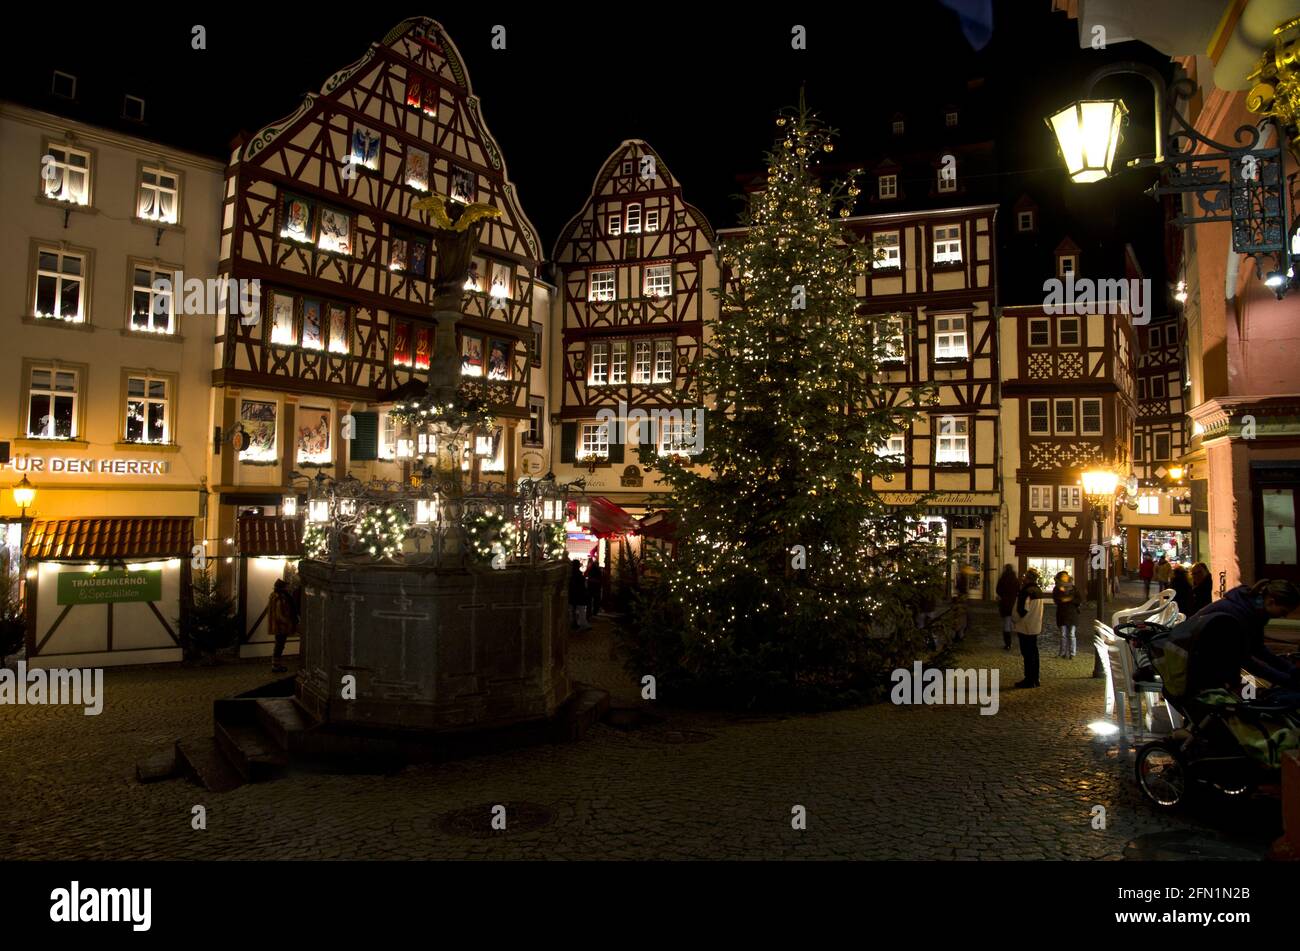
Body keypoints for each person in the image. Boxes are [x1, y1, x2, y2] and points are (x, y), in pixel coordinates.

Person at [1181, 579, 1300, 694]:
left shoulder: (1255, 610)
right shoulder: (1237, 614)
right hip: (1192, 666)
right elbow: (1244, 659)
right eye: (1283, 611)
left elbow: (1257, 648)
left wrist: (1290, 669)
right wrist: (1285, 679)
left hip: (1205, 660)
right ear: (1271, 601)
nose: (1283, 616)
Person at [1011, 568, 1047, 688]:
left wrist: (1014, 619)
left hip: (1025, 626)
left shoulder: (1026, 591)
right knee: (1034, 653)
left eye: (1025, 576)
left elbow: (1022, 610)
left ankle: (1029, 679)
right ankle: (1035, 678)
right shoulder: (1038, 590)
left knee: (1027, 653)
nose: (1023, 578)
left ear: (1028, 578)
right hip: (1035, 625)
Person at [268, 579, 297, 674]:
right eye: (286, 586)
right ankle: (276, 665)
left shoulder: (274, 596)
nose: (288, 588)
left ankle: (276, 664)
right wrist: (287, 622)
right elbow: (280, 613)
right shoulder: (280, 597)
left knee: (279, 644)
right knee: (279, 645)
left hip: (278, 625)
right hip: (281, 626)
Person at [1052, 570, 1080, 659]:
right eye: (1063, 576)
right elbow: (1056, 600)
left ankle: (1072, 653)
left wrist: (1069, 600)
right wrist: (1063, 598)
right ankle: (1062, 653)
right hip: (1062, 614)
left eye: (1066, 575)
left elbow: (1079, 599)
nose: (1065, 577)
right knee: (1063, 634)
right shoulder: (1057, 588)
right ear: (1060, 578)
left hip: (1072, 614)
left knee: (1071, 634)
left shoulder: (1073, 588)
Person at [996, 565, 1019, 652]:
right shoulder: (1015, 580)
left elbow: (998, 590)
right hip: (1013, 603)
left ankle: (1008, 643)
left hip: (1005, 604)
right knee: (1013, 622)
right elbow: (1018, 590)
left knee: (1006, 624)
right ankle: (1016, 639)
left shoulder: (1002, 579)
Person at [568, 560, 589, 630]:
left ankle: (573, 623)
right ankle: (582, 624)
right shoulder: (579, 575)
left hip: (573, 595)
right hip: (579, 595)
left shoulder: (571, 575)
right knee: (580, 610)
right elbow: (583, 586)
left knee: (572, 610)